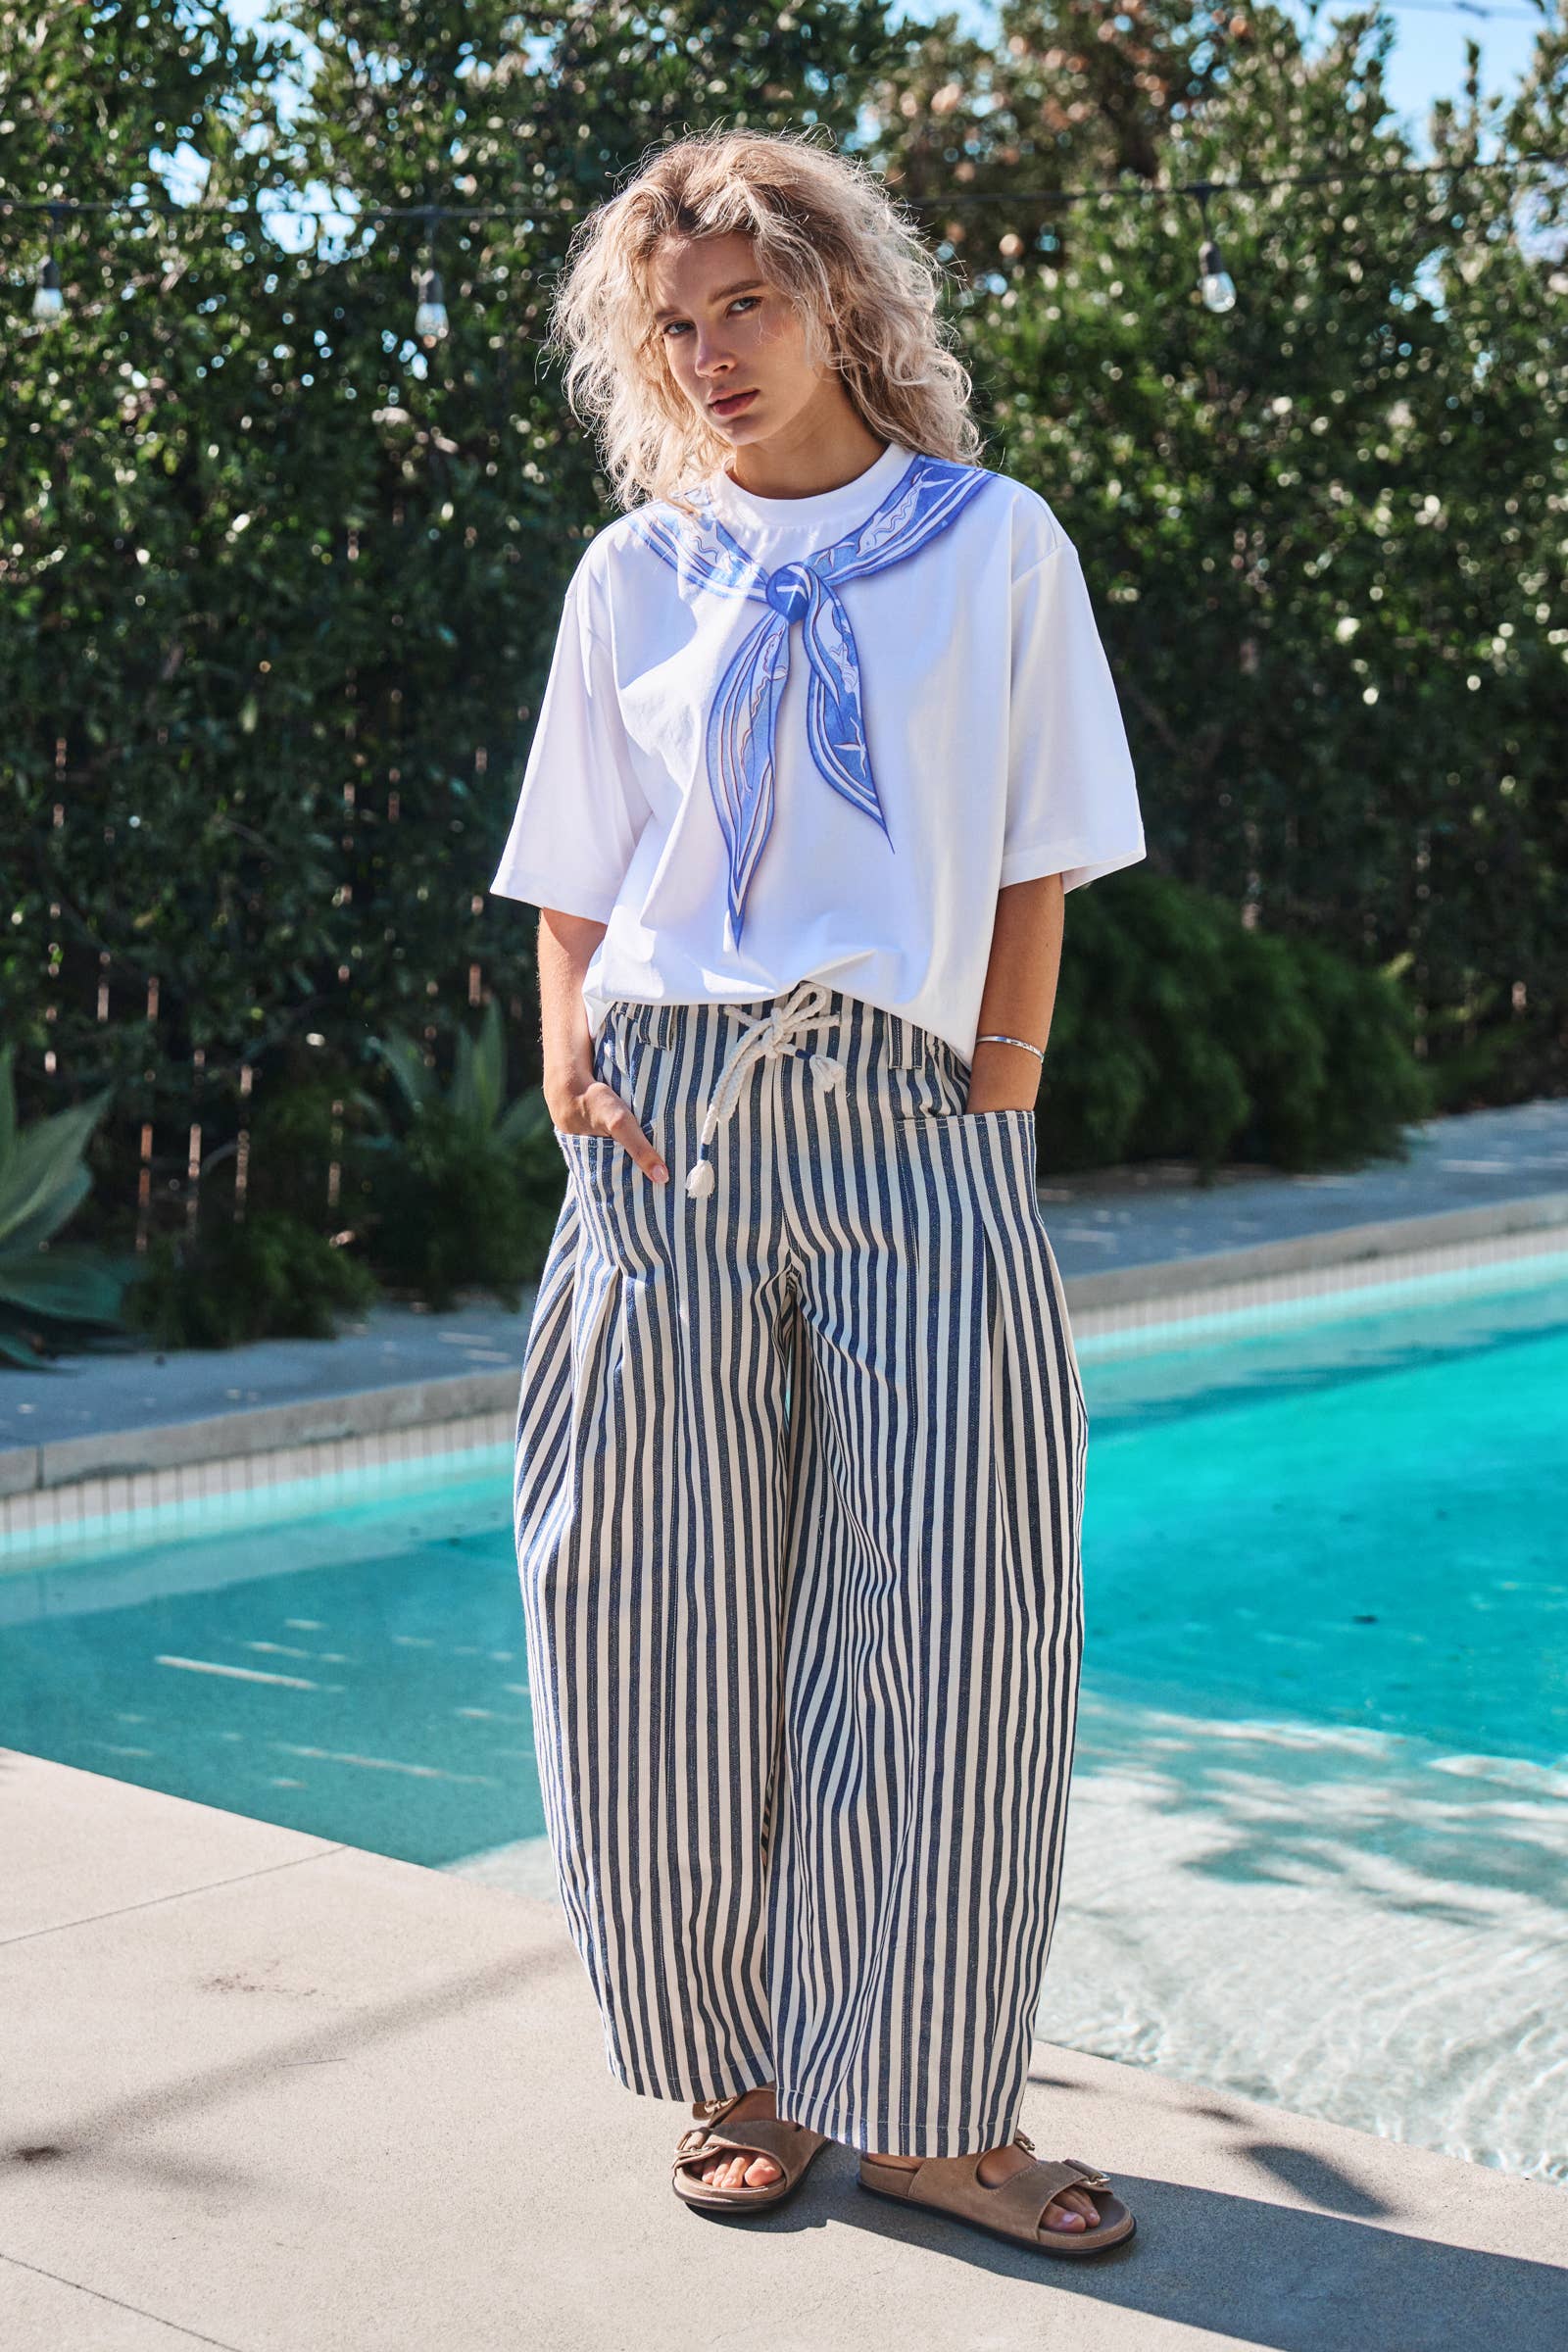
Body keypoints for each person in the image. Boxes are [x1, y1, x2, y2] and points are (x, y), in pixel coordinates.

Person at [489, 124, 1147, 2260]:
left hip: (907, 1113)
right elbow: (571, 874)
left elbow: (1037, 847)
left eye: (741, 307)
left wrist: (999, 1092)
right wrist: (567, 1060)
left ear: (836, 299)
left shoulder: (991, 544)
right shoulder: (633, 575)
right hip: (663, 1126)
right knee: (647, 1617)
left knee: (954, 1620)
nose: (707, 356)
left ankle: (935, 2104)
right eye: (668, 326)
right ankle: (743, 2065)